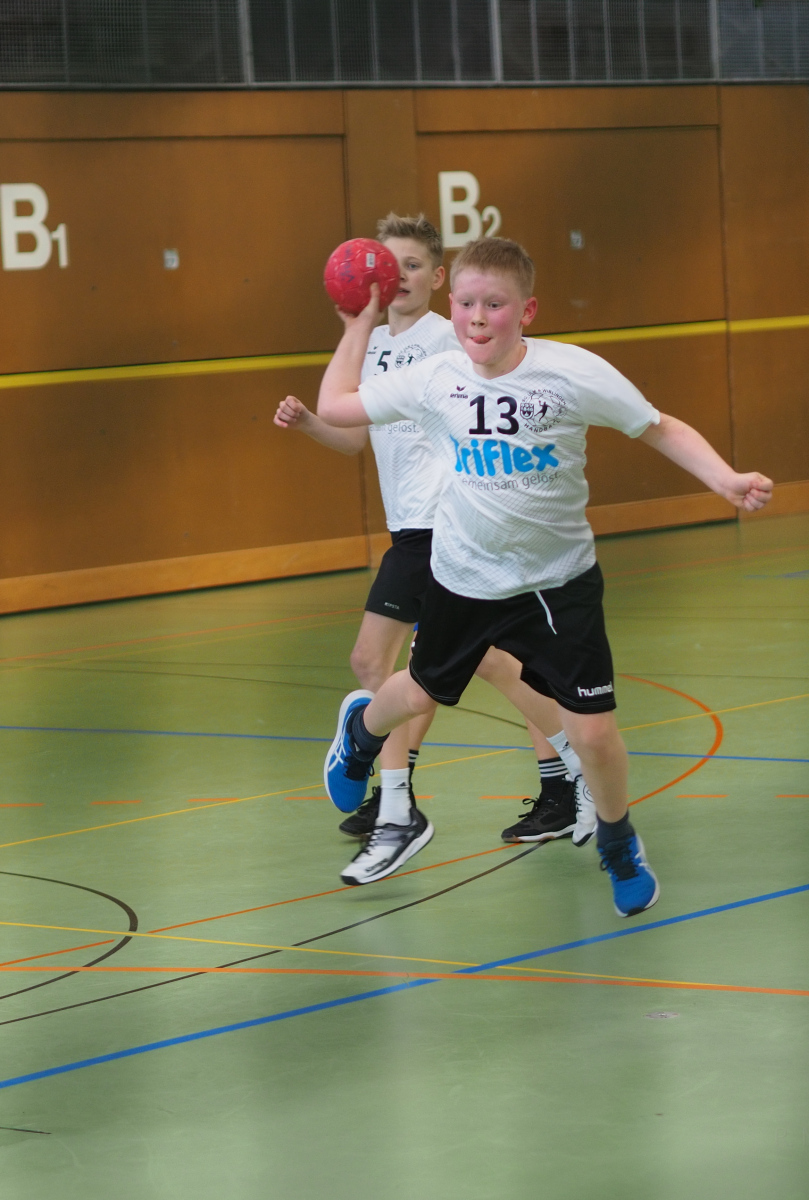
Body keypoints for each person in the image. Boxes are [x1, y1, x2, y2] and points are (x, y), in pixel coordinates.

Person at [315, 236, 773, 917]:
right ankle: (359, 738)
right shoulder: (435, 377)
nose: (477, 317)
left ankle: (618, 841)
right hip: (464, 579)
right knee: (414, 691)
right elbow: (336, 406)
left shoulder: (571, 373)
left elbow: (658, 426)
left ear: (526, 311)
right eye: (465, 303)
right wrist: (358, 326)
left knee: (594, 733)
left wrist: (724, 478)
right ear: (451, 303)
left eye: (494, 305)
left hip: (558, 584)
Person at [275, 216, 596, 886]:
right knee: (491, 662)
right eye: (386, 269)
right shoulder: (373, 346)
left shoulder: (449, 337)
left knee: (378, 661)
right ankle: (568, 768)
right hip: (410, 528)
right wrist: (310, 422)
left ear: (438, 277)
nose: (396, 279)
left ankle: (395, 800)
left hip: (445, 520)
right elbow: (353, 436)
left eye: (412, 266)